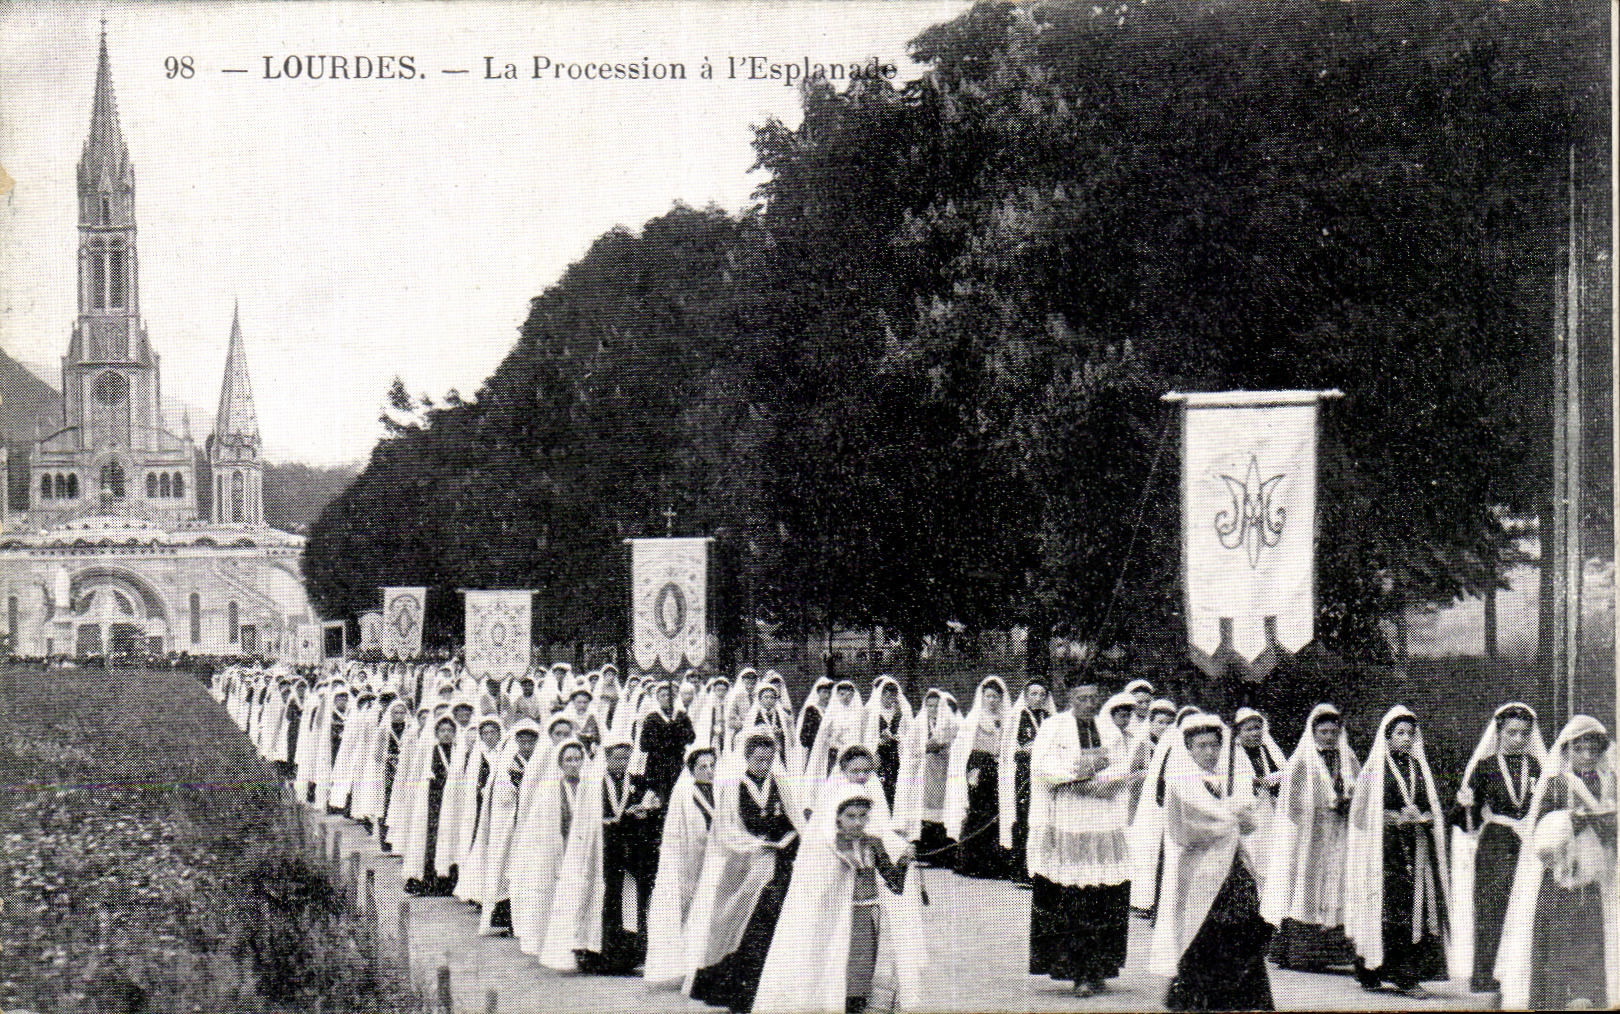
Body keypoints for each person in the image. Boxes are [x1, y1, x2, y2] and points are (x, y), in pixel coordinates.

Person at [752, 787, 922, 1014]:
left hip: (867, 918)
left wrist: (903, 861)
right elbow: (815, 887)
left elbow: (895, 885)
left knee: (861, 977)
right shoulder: (826, 846)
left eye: (863, 816)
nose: (858, 822)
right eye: (851, 816)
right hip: (834, 920)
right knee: (834, 971)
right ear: (837, 817)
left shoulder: (873, 843)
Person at [1150, 715, 1274, 1011]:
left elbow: (1248, 824)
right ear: (1189, 749)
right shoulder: (1181, 782)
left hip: (1233, 866)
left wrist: (1240, 814)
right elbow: (1186, 829)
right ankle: (1199, 998)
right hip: (1199, 868)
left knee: (1241, 926)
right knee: (1202, 929)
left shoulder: (1227, 779)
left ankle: (1242, 996)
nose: (1209, 752)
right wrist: (1230, 816)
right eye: (1201, 746)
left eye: (1214, 745)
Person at [1027, 683, 1142, 996]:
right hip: (1069, 818)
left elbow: (1122, 765)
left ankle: (1100, 968)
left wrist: (1105, 782)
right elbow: (1040, 766)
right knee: (1074, 896)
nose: (1089, 703)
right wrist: (1077, 775)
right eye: (1082, 698)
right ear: (1070, 700)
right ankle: (1077, 971)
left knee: (1104, 896)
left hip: (1103, 819)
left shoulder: (1111, 731)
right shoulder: (1053, 727)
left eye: (1094, 698)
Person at [1495, 714, 1615, 1010]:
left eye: (1593, 750)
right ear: (1566, 751)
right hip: (1561, 872)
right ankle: (1558, 995)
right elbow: (1539, 832)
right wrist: (1569, 821)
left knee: (1593, 935)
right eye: (1579, 750)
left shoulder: (1610, 782)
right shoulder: (1556, 785)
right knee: (1562, 934)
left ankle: (1589, 994)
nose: (1586, 757)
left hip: (1598, 874)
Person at [684, 730, 802, 1013]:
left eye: (769, 759)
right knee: (733, 921)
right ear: (747, 758)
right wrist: (757, 844)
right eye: (759, 759)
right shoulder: (733, 786)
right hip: (742, 866)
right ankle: (730, 988)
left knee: (767, 921)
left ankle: (761, 987)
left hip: (776, 862)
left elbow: (795, 817)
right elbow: (726, 829)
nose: (764, 764)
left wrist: (787, 839)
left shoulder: (780, 782)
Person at [1345, 705, 1452, 999]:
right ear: (1387, 737)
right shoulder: (1375, 769)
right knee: (1390, 907)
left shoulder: (1419, 769)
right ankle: (1385, 972)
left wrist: (1426, 817)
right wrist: (1390, 818)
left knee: (1412, 908)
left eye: (1410, 733)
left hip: (1415, 848)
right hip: (1385, 850)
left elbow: (1431, 806)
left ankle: (1398, 971)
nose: (1406, 738)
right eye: (1399, 733)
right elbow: (1359, 815)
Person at [1449, 702, 1545, 994]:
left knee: (1526, 904)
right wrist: (1466, 805)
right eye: (1511, 733)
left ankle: (1517, 970)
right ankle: (1484, 973)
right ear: (1499, 732)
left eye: (1524, 734)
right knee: (1491, 907)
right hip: (1496, 842)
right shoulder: (1485, 766)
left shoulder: (1538, 766)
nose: (1518, 739)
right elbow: (1467, 817)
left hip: (1528, 841)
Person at [544, 733, 657, 974]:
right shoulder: (594, 782)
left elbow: (646, 809)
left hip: (627, 850)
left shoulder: (636, 781)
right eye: (618, 758)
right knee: (602, 900)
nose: (622, 763)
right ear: (607, 758)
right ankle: (597, 955)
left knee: (626, 901)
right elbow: (585, 820)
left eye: (627, 758)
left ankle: (626, 957)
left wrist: (643, 813)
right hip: (601, 850)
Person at [1263, 703, 1359, 971]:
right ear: (1313, 732)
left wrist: (1348, 803)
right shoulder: (1301, 760)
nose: (1329, 737)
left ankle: (1335, 953)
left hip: (1339, 832)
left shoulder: (1349, 759)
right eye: (1323, 731)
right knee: (1306, 888)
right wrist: (1322, 806)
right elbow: (1290, 803)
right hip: (1310, 836)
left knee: (1337, 885)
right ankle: (1301, 953)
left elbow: (1361, 792)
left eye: (1333, 731)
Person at [643, 746, 719, 988]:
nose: (709, 771)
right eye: (702, 767)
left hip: (715, 858)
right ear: (691, 769)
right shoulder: (685, 794)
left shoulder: (721, 791)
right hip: (690, 861)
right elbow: (676, 834)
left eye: (712, 765)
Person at [508, 737, 584, 951]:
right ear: (560, 763)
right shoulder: (550, 790)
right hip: (558, 848)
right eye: (568, 760)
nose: (573, 764)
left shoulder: (589, 787)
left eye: (578, 759)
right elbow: (541, 826)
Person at [472, 720, 541, 935]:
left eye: (532, 741)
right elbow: (502, 798)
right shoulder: (507, 765)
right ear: (516, 742)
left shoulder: (541, 764)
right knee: (508, 870)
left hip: (533, 825)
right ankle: (508, 918)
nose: (527, 746)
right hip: (510, 827)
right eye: (523, 741)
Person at [1129, 706, 1200, 916]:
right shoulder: (1172, 743)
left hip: (1186, 810)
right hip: (1163, 809)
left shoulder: (1194, 744)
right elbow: (1160, 778)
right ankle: (1148, 901)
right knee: (1156, 854)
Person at [894, 689, 960, 867]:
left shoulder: (951, 724)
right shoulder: (918, 724)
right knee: (926, 809)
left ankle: (945, 853)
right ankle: (927, 852)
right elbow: (910, 749)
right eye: (929, 706)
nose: (932, 709)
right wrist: (927, 747)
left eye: (936, 706)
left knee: (944, 809)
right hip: (925, 772)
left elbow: (959, 745)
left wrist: (945, 747)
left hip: (945, 771)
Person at [403, 714, 461, 896]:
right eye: (442, 730)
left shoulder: (459, 752)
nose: (446, 734)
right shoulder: (431, 752)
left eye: (450, 731)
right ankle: (429, 881)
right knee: (431, 840)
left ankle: (447, 882)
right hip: (433, 802)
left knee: (450, 839)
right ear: (436, 733)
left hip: (452, 803)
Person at [1001, 681, 1054, 881]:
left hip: (1045, 775)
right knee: (1024, 818)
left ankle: (1042, 869)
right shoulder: (1018, 718)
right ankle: (1022, 870)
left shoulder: (1049, 718)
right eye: (1034, 693)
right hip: (1023, 774)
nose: (1038, 698)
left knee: (1044, 820)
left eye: (1042, 694)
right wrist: (1028, 750)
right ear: (1026, 696)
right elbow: (1009, 749)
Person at [1228, 708, 1286, 889]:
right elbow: (1228, 782)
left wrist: (1276, 778)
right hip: (1245, 812)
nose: (1255, 733)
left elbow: (1286, 773)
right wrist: (1251, 782)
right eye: (1249, 729)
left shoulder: (1269, 751)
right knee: (1250, 854)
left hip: (1269, 811)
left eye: (1258, 728)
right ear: (1238, 732)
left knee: (1271, 854)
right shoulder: (1231, 754)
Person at [451, 714, 505, 904]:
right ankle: (476, 890)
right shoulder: (478, 755)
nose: (489, 736)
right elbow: (471, 782)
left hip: (498, 805)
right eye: (485, 733)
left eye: (493, 732)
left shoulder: (504, 753)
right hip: (479, 807)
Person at [634, 680, 695, 815]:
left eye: (670, 695)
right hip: (657, 765)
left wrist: (677, 732)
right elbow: (644, 745)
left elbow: (691, 737)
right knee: (658, 802)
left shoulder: (681, 716)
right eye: (663, 695)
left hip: (676, 763)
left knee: (676, 798)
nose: (667, 698)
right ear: (657, 698)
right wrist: (667, 741)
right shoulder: (652, 718)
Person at [862, 676, 912, 806]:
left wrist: (899, 738)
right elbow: (868, 736)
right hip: (879, 753)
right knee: (880, 785)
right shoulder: (873, 712)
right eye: (887, 696)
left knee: (896, 785)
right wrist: (875, 750)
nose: (890, 699)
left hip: (896, 754)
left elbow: (908, 733)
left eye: (893, 696)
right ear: (881, 695)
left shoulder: (900, 713)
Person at [797, 677, 833, 772]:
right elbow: (804, 735)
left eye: (829, 693)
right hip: (816, 750)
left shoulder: (833, 710)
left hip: (831, 750)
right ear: (818, 693)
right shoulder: (812, 710)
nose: (827, 696)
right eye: (824, 692)